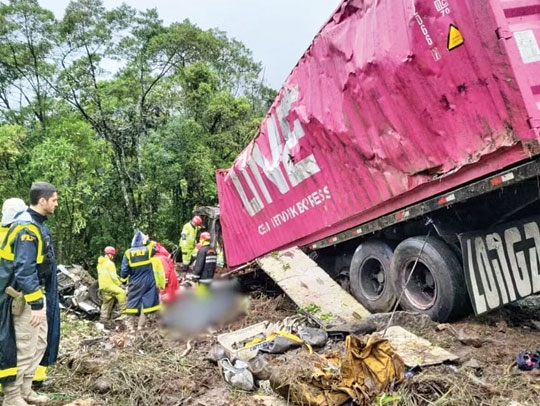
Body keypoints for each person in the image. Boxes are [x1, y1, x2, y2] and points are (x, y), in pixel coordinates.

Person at [0, 182, 61, 406]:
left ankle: (26, 389)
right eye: (54, 199)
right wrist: (36, 304)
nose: (56, 203)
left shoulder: (38, 224)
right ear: (42, 201)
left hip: (37, 295)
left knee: (39, 342)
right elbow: (24, 270)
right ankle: (12, 395)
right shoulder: (26, 228)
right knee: (24, 344)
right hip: (24, 298)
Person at [120, 231, 160, 331]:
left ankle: (130, 327)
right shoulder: (147, 249)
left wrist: (124, 280)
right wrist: (148, 241)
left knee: (132, 302)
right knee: (146, 302)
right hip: (149, 281)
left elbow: (124, 269)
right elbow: (156, 249)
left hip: (135, 281)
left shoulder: (128, 253)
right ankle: (140, 326)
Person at [97, 246, 126, 326]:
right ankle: (124, 314)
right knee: (122, 293)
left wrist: (118, 279)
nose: (113, 257)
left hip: (102, 286)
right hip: (109, 284)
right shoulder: (110, 264)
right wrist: (120, 284)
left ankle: (103, 320)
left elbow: (112, 275)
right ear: (109, 254)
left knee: (107, 301)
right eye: (112, 255)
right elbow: (113, 277)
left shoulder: (100, 264)